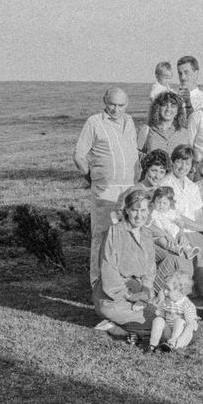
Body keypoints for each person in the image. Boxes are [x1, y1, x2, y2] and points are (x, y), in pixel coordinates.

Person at [73, 87, 139, 285]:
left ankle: (123, 282)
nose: (116, 109)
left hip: (128, 189)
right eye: (112, 104)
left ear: (127, 105)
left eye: (121, 105)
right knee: (103, 235)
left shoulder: (130, 122)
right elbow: (79, 155)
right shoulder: (95, 122)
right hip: (105, 190)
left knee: (127, 234)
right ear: (104, 101)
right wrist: (92, 178)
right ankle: (98, 283)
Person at [161, 144, 203, 295]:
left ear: (192, 166)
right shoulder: (165, 183)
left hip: (195, 230)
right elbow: (175, 215)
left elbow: (199, 214)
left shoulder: (192, 186)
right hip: (177, 230)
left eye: (188, 163)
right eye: (180, 161)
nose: (183, 166)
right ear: (172, 162)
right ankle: (201, 294)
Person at [92, 188, 157, 341]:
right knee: (156, 325)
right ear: (127, 210)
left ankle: (116, 326)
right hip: (113, 296)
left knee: (166, 320)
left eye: (143, 210)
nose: (139, 215)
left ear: (149, 211)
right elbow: (109, 272)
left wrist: (145, 293)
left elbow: (150, 272)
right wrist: (129, 296)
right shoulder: (114, 232)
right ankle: (115, 328)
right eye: (135, 210)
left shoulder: (147, 235)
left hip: (139, 293)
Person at [146, 270, 197, 353]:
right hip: (169, 332)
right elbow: (162, 315)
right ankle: (153, 345)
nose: (165, 291)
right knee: (158, 320)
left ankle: (173, 345)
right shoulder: (167, 301)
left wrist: (181, 339)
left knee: (179, 321)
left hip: (183, 336)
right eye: (164, 288)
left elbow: (190, 325)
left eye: (168, 289)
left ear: (181, 292)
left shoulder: (187, 305)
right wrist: (159, 313)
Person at [136, 90, 193, 158]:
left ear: (178, 111)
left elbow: (188, 159)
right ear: (158, 108)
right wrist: (151, 160)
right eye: (164, 105)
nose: (168, 109)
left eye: (173, 106)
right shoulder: (146, 130)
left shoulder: (184, 133)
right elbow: (136, 155)